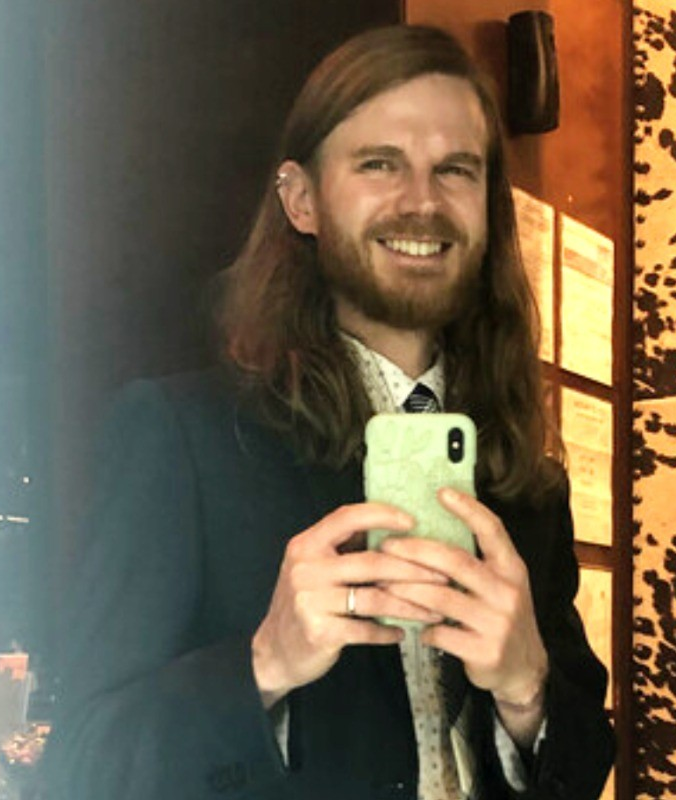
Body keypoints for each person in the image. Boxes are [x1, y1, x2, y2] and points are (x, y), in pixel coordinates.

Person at [43, 24, 614, 800]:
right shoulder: (182, 438)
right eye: (380, 164)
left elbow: (583, 764)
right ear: (302, 200)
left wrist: (527, 692)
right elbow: (79, 769)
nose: (422, 200)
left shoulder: (525, 481)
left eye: (455, 170)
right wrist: (262, 665)